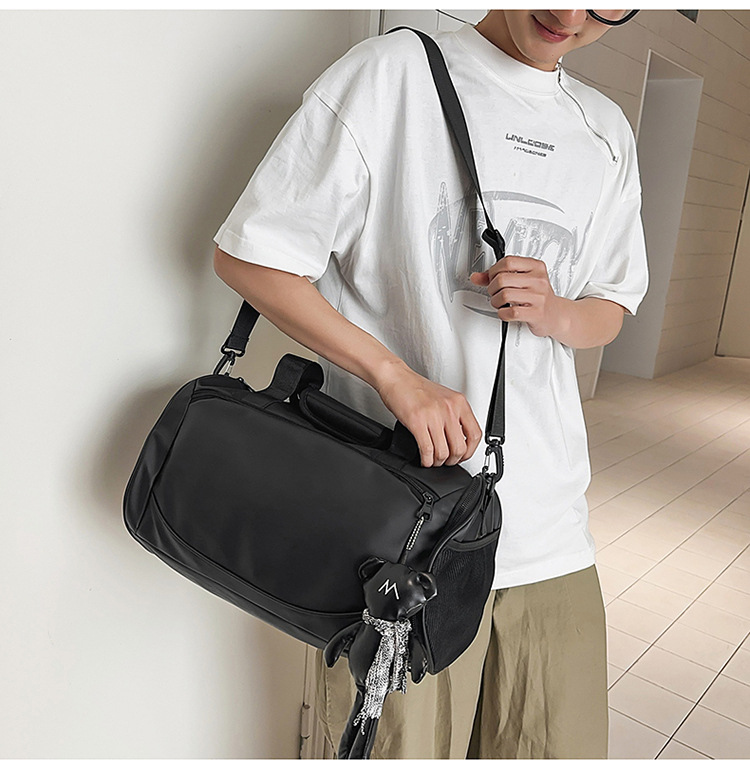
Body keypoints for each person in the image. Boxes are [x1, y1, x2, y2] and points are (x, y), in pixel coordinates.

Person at [212, 9, 649, 759]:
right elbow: (252, 257)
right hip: (397, 533)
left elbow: (611, 304)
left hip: (548, 528)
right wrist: (395, 377)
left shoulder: (605, 130)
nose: (569, 15)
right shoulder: (391, 76)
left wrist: (555, 310)